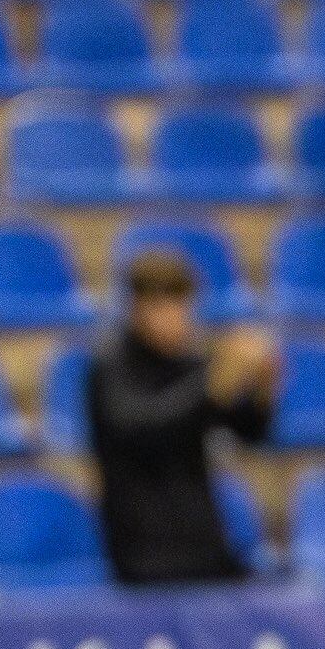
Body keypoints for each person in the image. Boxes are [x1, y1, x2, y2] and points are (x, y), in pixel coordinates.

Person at [86, 248, 277, 587]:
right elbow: (141, 430)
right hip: (145, 556)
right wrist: (211, 386)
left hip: (207, 550)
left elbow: (250, 433)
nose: (175, 318)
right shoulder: (110, 366)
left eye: (182, 306)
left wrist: (262, 387)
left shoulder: (192, 364)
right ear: (136, 309)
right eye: (162, 307)